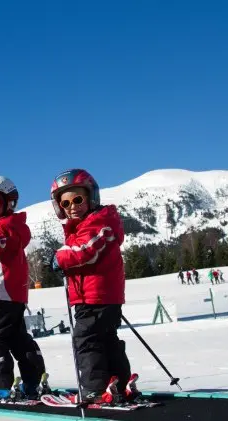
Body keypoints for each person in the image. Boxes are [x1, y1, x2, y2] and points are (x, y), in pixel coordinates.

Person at [50, 168, 137, 404]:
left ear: (91, 197)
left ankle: (94, 388)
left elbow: (84, 251)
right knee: (105, 339)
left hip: (97, 296)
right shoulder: (82, 226)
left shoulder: (99, 223)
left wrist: (60, 258)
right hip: (88, 295)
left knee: (86, 339)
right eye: (65, 203)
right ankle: (118, 383)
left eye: (78, 199)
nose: (72, 206)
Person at [0, 176, 50, 400]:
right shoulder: (4, 226)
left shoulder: (5, 228)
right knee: (16, 337)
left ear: (10, 202)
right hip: (9, 294)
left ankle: (0, 385)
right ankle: (34, 381)